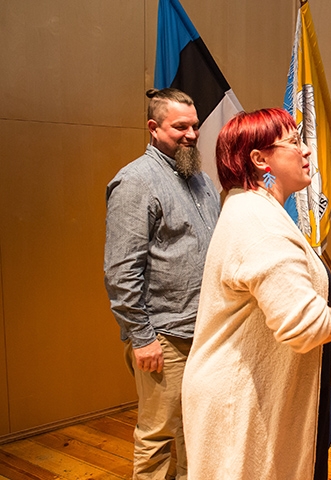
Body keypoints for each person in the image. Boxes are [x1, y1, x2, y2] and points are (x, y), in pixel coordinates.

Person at [181, 108, 331, 479]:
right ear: (260, 160)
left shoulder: (252, 208)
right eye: (293, 142)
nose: (306, 150)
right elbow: (304, 326)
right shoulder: (260, 223)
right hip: (239, 401)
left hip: (250, 392)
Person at [104, 88, 220, 479]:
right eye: (180, 127)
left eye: (195, 126)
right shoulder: (136, 182)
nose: (191, 134)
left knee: (195, 432)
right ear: (154, 128)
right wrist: (142, 338)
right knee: (158, 436)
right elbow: (121, 271)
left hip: (203, 333)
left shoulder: (201, 180)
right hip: (164, 338)